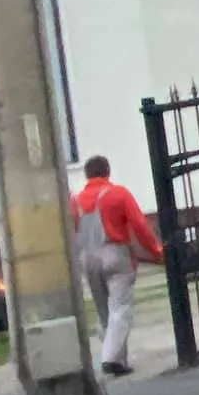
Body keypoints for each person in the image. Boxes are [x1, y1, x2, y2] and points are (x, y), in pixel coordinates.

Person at [69, 155, 163, 377]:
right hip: (115, 254)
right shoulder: (118, 194)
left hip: (87, 258)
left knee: (104, 312)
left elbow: (70, 232)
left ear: (87, 175)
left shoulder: (75, 202)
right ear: (108, 172)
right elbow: (140, 225)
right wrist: (156, 252)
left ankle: (119, 361)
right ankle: (110, 358)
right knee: (120, 308)